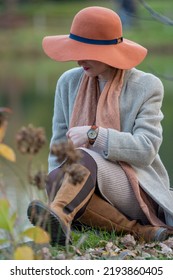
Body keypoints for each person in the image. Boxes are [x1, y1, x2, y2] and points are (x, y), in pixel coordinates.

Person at [27, 6, 173, 246]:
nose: (78, 59)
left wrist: (95, 135)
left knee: (83, 157)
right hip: (84, 184)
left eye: (86, 51)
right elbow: (59, 148)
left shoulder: (147, 86)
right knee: (56, 177)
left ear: (110, 51)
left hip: (136, 186)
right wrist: (56, 186)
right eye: (76, 50)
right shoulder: (68, 83)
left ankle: (60, 214)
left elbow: (147, 149)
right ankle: (141, 233)